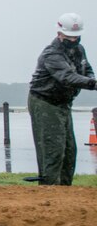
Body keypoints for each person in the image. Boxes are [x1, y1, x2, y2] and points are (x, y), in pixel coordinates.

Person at [27, 13, 96, 186]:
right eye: (69, 37)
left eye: (76, 37)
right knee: (53, 149)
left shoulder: (79, 50)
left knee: (70, 149)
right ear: (59, 34)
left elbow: (86, 69)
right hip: (45, 101)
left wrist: (91, 79)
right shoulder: (51, 54)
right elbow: (67, 77)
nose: (73, 41)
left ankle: (65, 190)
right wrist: (93, 84)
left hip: (64, 102)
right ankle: (50, 187)